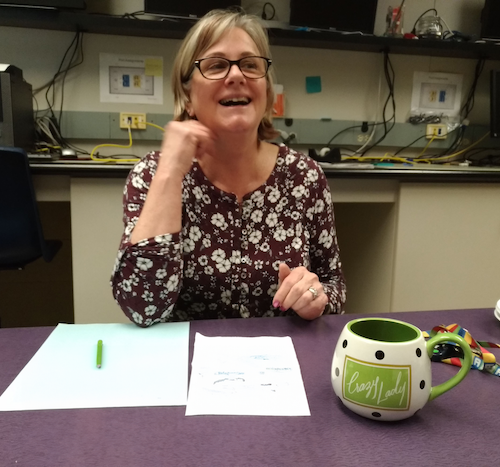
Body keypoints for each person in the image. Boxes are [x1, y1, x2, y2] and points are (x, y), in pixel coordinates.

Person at [111, 8, 346, 327]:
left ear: (265, 91)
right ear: (187, 96)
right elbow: (142, 307)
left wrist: (315, 297)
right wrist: (170, 173)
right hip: (186, 362)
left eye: (250, 65)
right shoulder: (152, 174)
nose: (236, 76)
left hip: (277, 362)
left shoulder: (303, 175)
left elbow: (334, 287)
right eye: (216, 65)